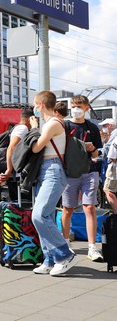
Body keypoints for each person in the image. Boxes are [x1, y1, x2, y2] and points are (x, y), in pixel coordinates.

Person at [30, 90, 78, 276]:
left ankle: (65, 254)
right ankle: (49, 259)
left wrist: (34, 129)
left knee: (39, 215)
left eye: (35, 104)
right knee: (46, 216)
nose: (34, 108)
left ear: (41, 104)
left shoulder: (53, 124)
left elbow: (36, 147)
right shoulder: (49, 124)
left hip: (53, 171)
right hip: (46, 171)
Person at [60, 95, 103, 263]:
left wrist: (92, 149)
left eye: (79, 106)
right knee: (68, 209)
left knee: (89, 207)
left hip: (89, 171)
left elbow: (97, 154)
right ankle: (65, 243)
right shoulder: (64, 125)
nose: (75, 108)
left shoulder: (91, 127)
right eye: (73, 105)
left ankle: (92, 247)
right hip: (70, 172)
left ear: (86, 108)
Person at [0, 107, 34, 200]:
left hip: (16, 175)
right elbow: (11, 147)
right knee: (22, 205)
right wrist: (9, 169)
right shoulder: (23, 129)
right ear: (29, 119)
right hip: (17, 176)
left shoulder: (18, 128)